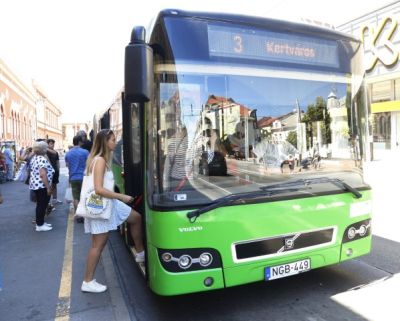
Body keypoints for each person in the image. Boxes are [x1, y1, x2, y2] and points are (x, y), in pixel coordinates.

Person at [81, 129, 144, 293]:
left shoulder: (99, 159)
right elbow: (99, 189)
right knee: (98, 244)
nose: (115, 143)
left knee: (136, 218)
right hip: (102, 205)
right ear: (105, 142)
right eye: (113, 140)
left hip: (109, 203)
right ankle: (87, 281)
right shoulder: (100, 160)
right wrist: (121, 196)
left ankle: (140, 252)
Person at [29, 141, 55, 232]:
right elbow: (43, 174)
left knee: (40, 205)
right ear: (43, 149)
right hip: (42, 186)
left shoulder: (35, 158)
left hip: (36, 185)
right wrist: (48, 187)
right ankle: (40, 225)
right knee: (42, 205)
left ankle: (40, 222)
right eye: (46, 148)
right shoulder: (42, 159)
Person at [65, 135, 89, 222]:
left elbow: (68, 166)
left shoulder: (68, 153)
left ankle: (78, 215)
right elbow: (89, 164)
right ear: (79, 142)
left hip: (73, 177)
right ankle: (85, 214)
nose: (83, 143)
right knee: (84, 196)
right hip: (84, 177)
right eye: (82, 141)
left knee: (75, 197)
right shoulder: (85, 152)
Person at [47, 139, 62, 205]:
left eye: (53, 144)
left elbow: (57, 161)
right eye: (51, 143)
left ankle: (54, 199)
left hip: (55, 171)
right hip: (48, 172)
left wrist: (58, 170)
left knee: (54, 185)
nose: (52, 145)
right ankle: (48, 202)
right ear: (47, 144)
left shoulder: (55, 152)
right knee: (48, 186)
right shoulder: (46, 152)